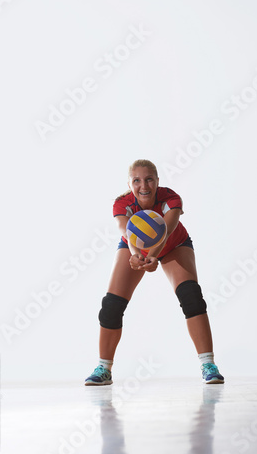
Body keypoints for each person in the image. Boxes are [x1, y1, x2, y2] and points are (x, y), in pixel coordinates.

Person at [85, 159, 224, 385]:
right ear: (129, 184)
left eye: (149, 179)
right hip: (134, 246)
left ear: (158, 181)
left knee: (191, 296)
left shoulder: (171, 199)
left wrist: (152, 255)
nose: (144, 186)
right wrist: (137, 255)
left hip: (174, 245)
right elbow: (126, 230)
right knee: (111, 305)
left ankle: (209, 365)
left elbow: (166, 231)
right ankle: (103, 369)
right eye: (137, 181)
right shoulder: (122, 203)